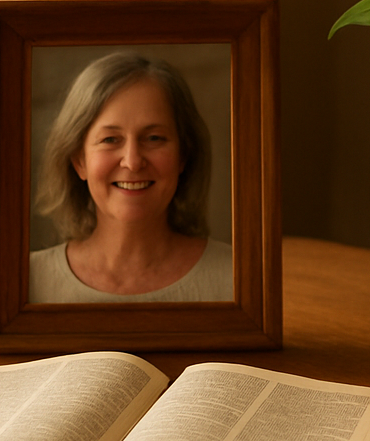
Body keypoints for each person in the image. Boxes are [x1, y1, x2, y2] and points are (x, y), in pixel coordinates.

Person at [30, 52, 231, 303]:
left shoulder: (236, 277)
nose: (133, 162)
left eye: (154, 138)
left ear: (183, 155)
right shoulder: (29, 281)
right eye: (110, 139)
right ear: (79, 160)